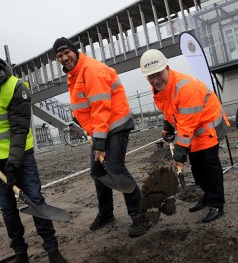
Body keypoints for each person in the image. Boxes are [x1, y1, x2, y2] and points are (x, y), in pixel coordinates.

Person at [0, 37, 67, 263]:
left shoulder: (16, 87)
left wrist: (14, 164)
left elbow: (19, 129)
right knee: (7, 208)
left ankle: (52, 249)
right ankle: (20, 253)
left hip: (20, 157)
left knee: (35, 200)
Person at [52, 37, 152, 237]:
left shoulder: (92, 70)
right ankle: (106, 214)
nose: (64, 58)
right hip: (101, 128)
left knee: (115, 167)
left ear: (75, 51)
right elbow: (87, 105)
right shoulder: (74, 74)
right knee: (98, 171)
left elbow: (101, 107)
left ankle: (141, 216)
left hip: (115, 124)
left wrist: (99, 142)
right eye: (60, 56)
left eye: (67, 53)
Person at [140, 49, 230, 223]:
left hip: (207, 126)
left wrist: (179, 155)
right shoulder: (159, 89)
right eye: (150, 77)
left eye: (158, 74)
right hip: (191, 131)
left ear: (167, 68)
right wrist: (167, 126)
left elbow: (187, 124)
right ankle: (206, 196)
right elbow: (170, 110)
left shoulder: (186, 87)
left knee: (210, 167)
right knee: (197, 168)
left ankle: (217, 203)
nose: (155, 80)